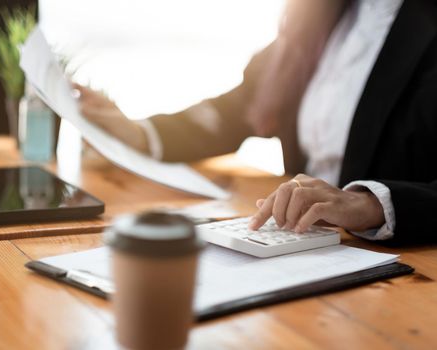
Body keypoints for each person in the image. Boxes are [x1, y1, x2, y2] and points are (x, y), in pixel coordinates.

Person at [75, 0, 437, 243]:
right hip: (304, 247)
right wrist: (137, 132)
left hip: (400, 261)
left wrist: (372, 204)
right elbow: (235, 110)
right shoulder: (318, 15)